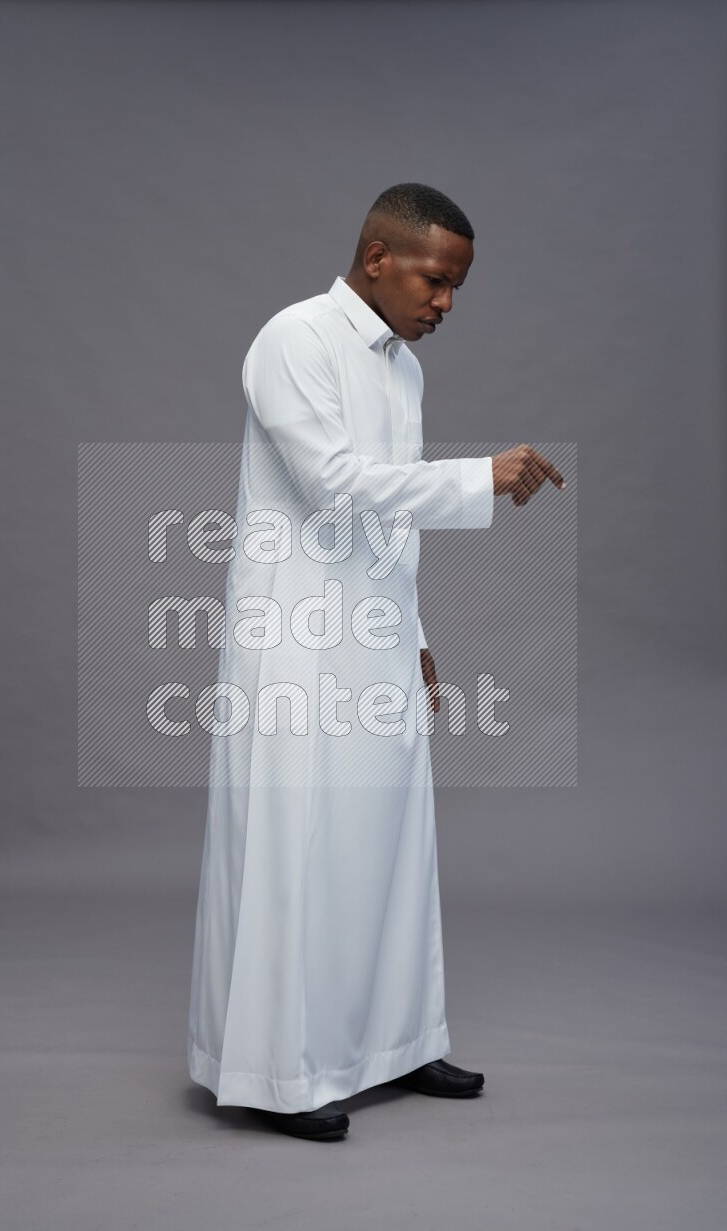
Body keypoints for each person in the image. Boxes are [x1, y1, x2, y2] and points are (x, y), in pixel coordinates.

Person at [187, 182, 564, 1141]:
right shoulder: (295, 340)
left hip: (377, 633)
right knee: (294, 848)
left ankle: (397, 1043)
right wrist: (481, 476)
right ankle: (277, 1074)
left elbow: (388, 522)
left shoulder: (402, 370)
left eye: (457, 289)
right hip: (296, 641)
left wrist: (418, 631)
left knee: (395, 844)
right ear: (376, 259)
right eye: (437, 281)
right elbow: (336, 487)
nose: (446, 304)